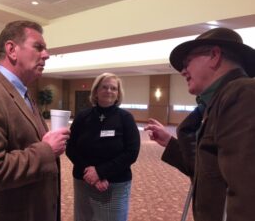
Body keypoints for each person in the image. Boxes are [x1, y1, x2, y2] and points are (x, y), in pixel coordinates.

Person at [0, 20, 70, 221]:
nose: (46, 54)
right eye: (38, 47)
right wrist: (46, 150)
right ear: (11, 50)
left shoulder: (23, 94)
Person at [144, 27, 255, 221]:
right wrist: (170, 142)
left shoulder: (242, 94)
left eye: (187, 62)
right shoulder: (217, 100)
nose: (183, 71)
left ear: (214, 55)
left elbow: (247, 190)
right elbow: (208, 170)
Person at [66, 72, 140, 221]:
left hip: (115, 183)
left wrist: (100, 172)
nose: (109, 91)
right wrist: (91, 173)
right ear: (96, 91)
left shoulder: (126, 118)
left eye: (113, 88)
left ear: (118, 94)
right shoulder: (82, 116)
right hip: (84, 180)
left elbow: (132, 152)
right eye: (104, 87)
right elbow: (70, 147)